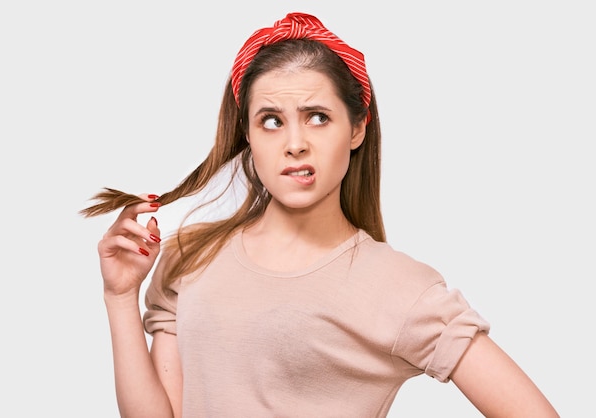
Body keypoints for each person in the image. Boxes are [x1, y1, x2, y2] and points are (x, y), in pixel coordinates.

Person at [80, 12, 559, 418]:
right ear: (247, 133)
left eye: (318, 117)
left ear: (356, 128)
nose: (294, 144)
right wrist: (121, 297)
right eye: (271, 121)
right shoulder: (191, 255)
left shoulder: (399, 287)